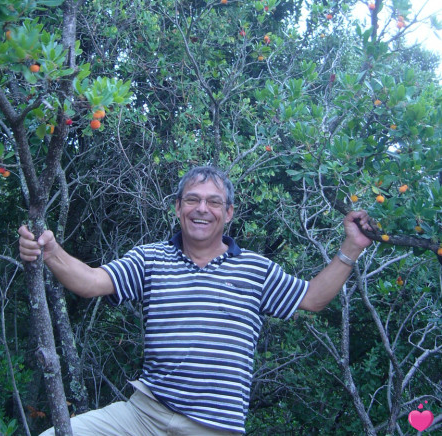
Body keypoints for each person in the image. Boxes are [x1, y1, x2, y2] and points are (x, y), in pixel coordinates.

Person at [19, 166, 372, 436]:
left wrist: (351, 247)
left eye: (213, 202)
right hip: (143, 416)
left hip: (213, 428)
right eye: (192, 199)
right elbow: (92, 282)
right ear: (177, 207)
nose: (202, 209)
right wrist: (50, 251)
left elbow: (312, 298)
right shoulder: (150, 259)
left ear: (229, 213)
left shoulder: (254, 269)